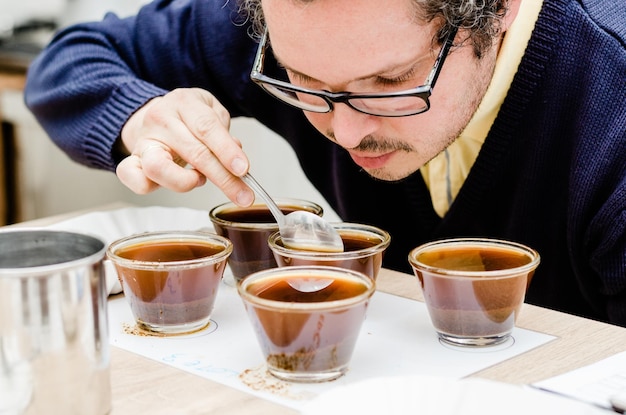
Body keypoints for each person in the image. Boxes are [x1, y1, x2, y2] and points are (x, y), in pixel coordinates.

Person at [24, 0, 626, 325]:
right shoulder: (282, 26)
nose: (346, 130)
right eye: (304, 82)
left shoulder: (612, 100)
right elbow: (69, 62)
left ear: (499, 11)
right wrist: (139, 115)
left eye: (389, 82)